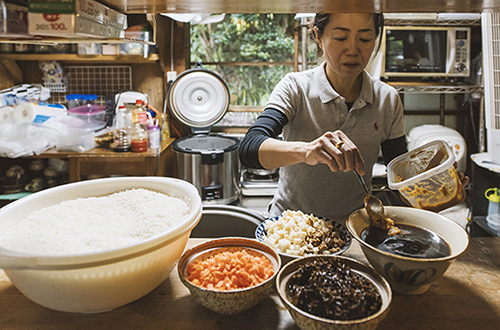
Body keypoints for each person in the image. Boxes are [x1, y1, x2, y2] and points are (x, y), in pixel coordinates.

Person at [239, 13, 468, 223]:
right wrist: (308, 151)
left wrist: (436, 188)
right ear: (318, 37)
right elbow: (249, 149)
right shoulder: (295, 87)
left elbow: (399, 179)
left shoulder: (387, 99)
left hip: (355, 228)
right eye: (340, 38)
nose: (353, 50)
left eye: (365, 39)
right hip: (292, 227)